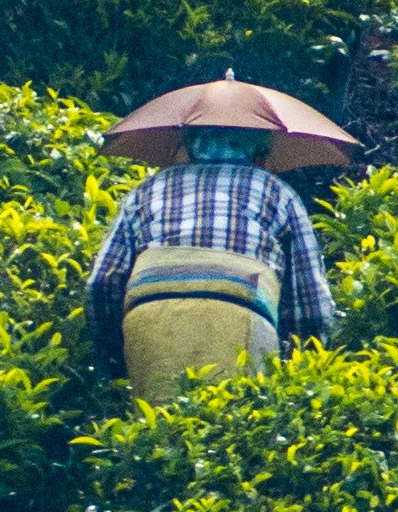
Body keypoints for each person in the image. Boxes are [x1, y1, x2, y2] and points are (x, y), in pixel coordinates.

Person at [82, 123, 338, 403]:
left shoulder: (148, 190)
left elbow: (102, 282)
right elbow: (313, 309)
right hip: (242, 321)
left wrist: (112, 359)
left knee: (155, 432)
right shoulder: (279, 193)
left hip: (150, 320)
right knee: (231, 431)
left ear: (188, 145)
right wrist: (296, 376)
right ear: (260, 151)